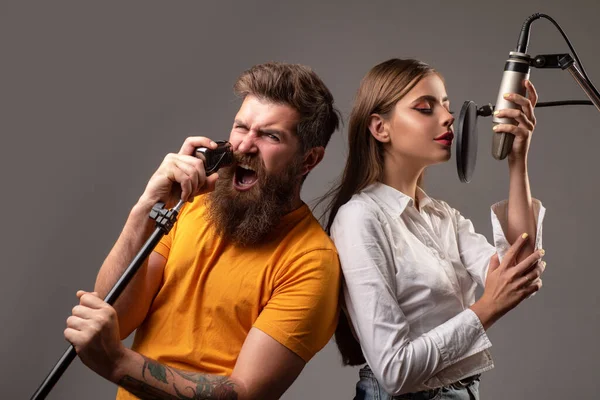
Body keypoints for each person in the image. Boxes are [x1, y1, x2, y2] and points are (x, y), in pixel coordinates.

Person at [63, 62, 341, 400]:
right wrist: (145, 208)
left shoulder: (312, 261)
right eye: (241, 127)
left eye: (270, 136)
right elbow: (116, 316)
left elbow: (245, 393)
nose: (245, 146)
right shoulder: (192, 206)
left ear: (309, 160)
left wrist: (119, 364)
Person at [324, 58, 546, 400]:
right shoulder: (359, 219)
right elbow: (394, 372)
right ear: (380, 128)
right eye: (425, 108)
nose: (448, 117)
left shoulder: (441, 216)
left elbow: (519, 269)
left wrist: (518, 159)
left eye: (446, 105)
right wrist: (487, 308)